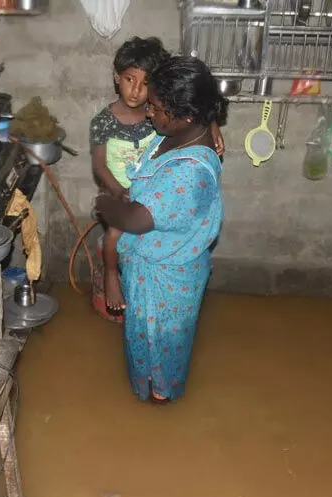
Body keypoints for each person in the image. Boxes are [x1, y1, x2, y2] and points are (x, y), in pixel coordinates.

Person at [95, 56, 225, 404]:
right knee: (144, 335)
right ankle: (148, 387)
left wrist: (106, 205)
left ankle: (160, 396)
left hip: (167, 279)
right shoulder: (175, 134)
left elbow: (136, 220)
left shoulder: (190, 172)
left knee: (164, 342)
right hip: (149, 269)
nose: (148, 113)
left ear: (185, 116)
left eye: (155, 107)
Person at [89, 37, 223, 319]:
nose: (137, 92)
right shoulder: (107, 121)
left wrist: (211, 123)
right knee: (111, 241)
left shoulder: (164, 118)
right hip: (120, 194)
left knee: (128, 239)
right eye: (129, 79)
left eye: (146, 83)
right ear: (117, 78)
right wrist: (116, 194)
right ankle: (111, 280)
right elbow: (100, 166)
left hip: (147, 199)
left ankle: (127, 291)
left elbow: (194, 98)